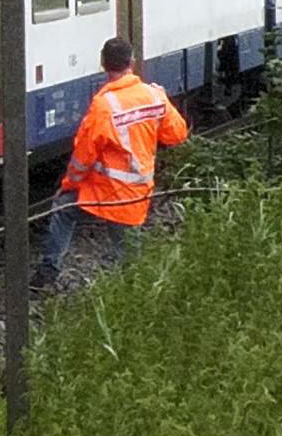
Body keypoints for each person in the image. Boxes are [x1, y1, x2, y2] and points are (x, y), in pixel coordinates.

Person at [37, 36, 191, 288]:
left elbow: (83, 156)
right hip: (136, 193)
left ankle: (46, 274)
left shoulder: (104, 106)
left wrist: (69, 185)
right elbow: (177, 135)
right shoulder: (154, 96)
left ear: (103, 64)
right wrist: (165, 101)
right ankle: (136, 292)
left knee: (64, 208)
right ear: (132, 62)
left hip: (106, 192)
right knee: (129, 251)